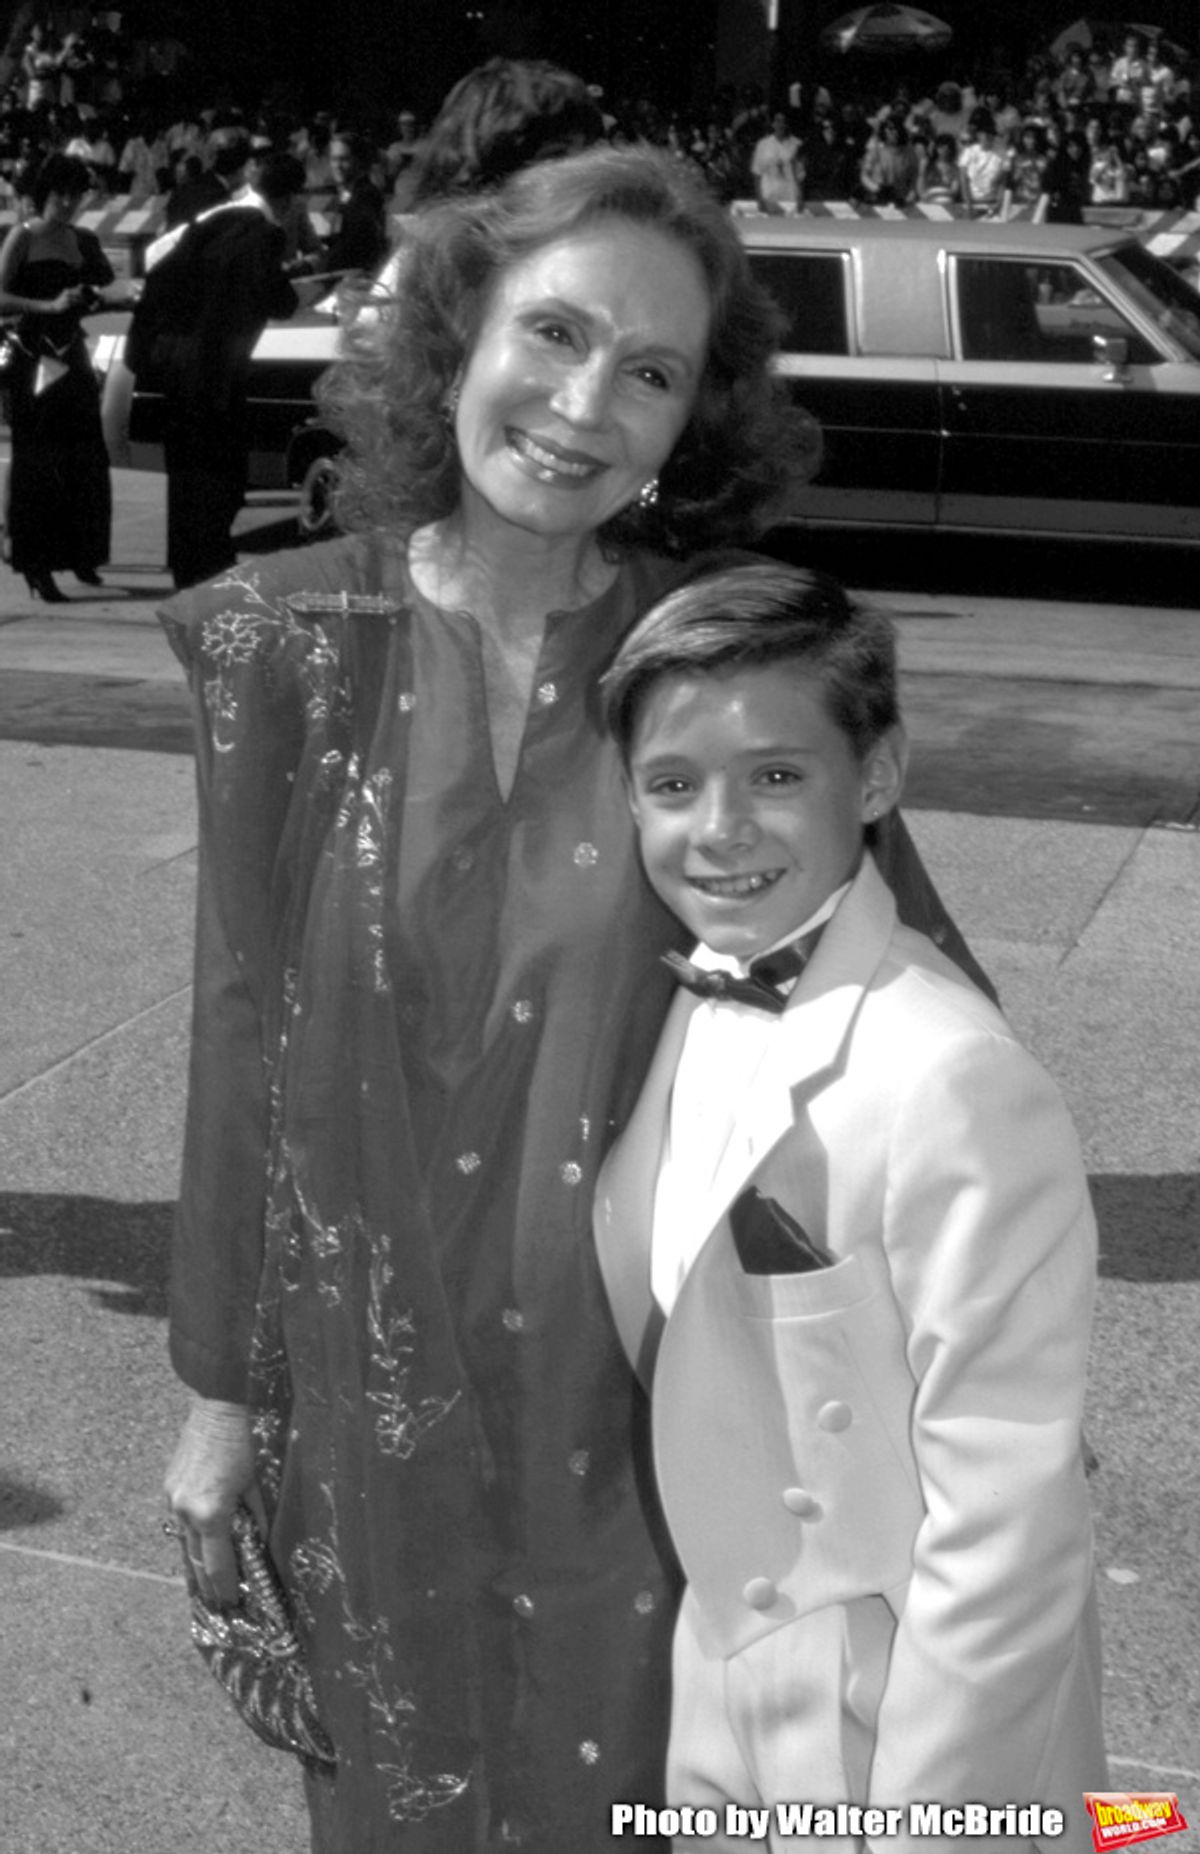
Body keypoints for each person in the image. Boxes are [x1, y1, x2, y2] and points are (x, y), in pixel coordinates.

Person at [159, 145, 981, 1853]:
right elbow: (241, 1017)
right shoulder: (289, 646)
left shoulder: (729, 671)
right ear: (457, 331)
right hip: (369, 1410)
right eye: (552, 331)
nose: (583, 402)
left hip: (670, 1428)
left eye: (654, 370)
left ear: (697, 422)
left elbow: (921, 1030)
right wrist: (222, 1386)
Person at [594, 560, 1108, 1853]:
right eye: (672, 783)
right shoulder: (699, 992)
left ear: (876, 776)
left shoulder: (946, 1072)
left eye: (776, 774)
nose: (719, 829)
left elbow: (1009, 1514)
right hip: (733, 1676)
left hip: (908, 1717)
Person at [126, 150, 304, 589]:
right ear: (287, 199)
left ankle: (186, 567)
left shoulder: (209, 221)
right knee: (220, 476)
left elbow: (158, 265)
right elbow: (278, 301)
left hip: (176, 365)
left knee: (185, 476)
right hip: (217, 374)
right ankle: (209, 564)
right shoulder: (263, 233)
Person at [0, 151, 120, 601]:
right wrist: (48, 305)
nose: (68, 204)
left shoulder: (83, 240)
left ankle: (82, 551)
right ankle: (36, 563)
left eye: (76, 195)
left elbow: (108, 287)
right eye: (61, 195)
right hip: (34, 355)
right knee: (39, 461)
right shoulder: (22, 237)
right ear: (43, 195)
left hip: (72, 354)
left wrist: (92, 296)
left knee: (85, 456)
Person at [751, 109, 803, 212]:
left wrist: (800, 197)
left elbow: (800, 175)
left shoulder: (796, 144)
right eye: (778, 121)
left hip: (790, 196)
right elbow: (757, 173)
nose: (781, 124)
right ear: (773, 124)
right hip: (769, 195)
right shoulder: (763, 144)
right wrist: (759, 198)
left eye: (783, 121)